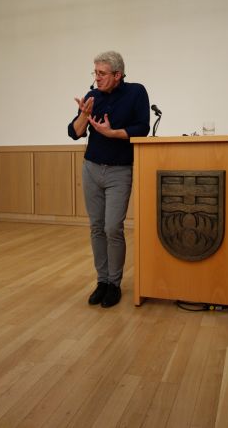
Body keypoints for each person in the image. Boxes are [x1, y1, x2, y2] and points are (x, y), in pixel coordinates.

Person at [68, 51, 150, 307]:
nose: (96, 78)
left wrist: (112, 132)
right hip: (91, 167)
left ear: (117, 74)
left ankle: (114, 283)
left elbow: (142, 128)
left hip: (119, 170)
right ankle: (101, 281)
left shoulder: (136, 92)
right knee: (96, 227)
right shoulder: (92, 96)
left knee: (113, 227)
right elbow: (74, 132)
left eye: (101, 73)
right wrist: (83, 114)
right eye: (95, 72)